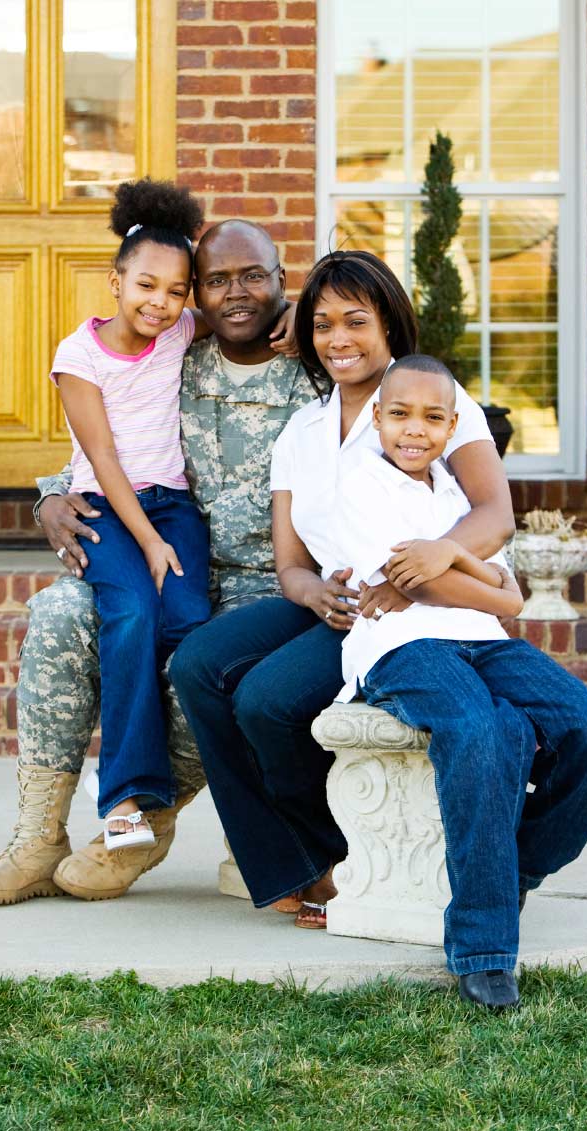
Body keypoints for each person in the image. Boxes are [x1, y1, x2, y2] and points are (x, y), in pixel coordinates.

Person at [0, 219, 306, 903]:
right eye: (217, 282)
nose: (236, 294)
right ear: (198, 295)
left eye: (255, 278)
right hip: (169, 554)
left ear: (281, 282)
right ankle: (37, 837)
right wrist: (51, 499)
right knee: (60, 611)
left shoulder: (313, 363)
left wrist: (305, 309)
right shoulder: (179, 351)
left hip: (270, 585)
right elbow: (109, 448)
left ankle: (143, 820)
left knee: (197, 655)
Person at [168, 250, 514, 929]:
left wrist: (432, 560)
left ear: (388, 323)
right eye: (322, 324)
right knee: (198, 664)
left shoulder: (433, 406)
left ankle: (336, 860)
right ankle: (284, 859)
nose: (338, 339)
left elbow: (495, 515)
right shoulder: (304, 428)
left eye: (356, 321)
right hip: (335, 606)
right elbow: (291, 560)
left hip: (408, 612)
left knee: (267, 699)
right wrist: (311, 593)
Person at [326, 355, 587, 1011]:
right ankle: (485, 950)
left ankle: (513, 867)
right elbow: (428, 584)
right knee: (482, 730)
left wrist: (451, 552)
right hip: (405, 646)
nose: (415, 430)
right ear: (375, 415)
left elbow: (508, 592)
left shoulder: (454, 492)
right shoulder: (359, 481)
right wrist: (461, 571)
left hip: (485, 641)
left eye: (434, 418)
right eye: (399, 413)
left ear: (453, 425)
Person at [48, 179, 213, 850]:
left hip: (173, 507)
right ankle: (121, 795)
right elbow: (104, 458)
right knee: (132, 616)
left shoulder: (180, 332)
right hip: (109, 513)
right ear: (115, 281)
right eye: (147, 285)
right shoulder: (78, 355)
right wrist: (145, 540)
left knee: (187, 621)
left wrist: (291, 317)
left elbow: (247, 315)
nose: (161, 303)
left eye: (177, 292)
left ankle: (153, 772)